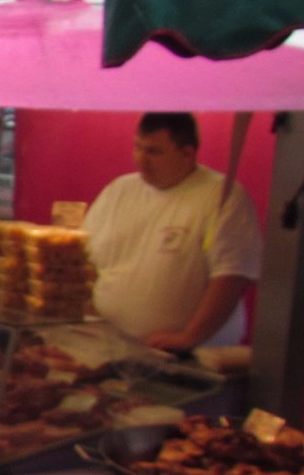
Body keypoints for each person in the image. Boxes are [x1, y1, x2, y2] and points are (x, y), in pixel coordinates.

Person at [84, 111, 264, 352]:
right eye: (138, 147)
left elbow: (232, 276)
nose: (141, 160)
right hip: (112, 346)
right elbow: (85, 258)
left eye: (154, 152)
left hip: (190, 356)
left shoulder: (223, 197)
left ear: (188, 153)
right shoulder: (118, 191)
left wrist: (190, 337)